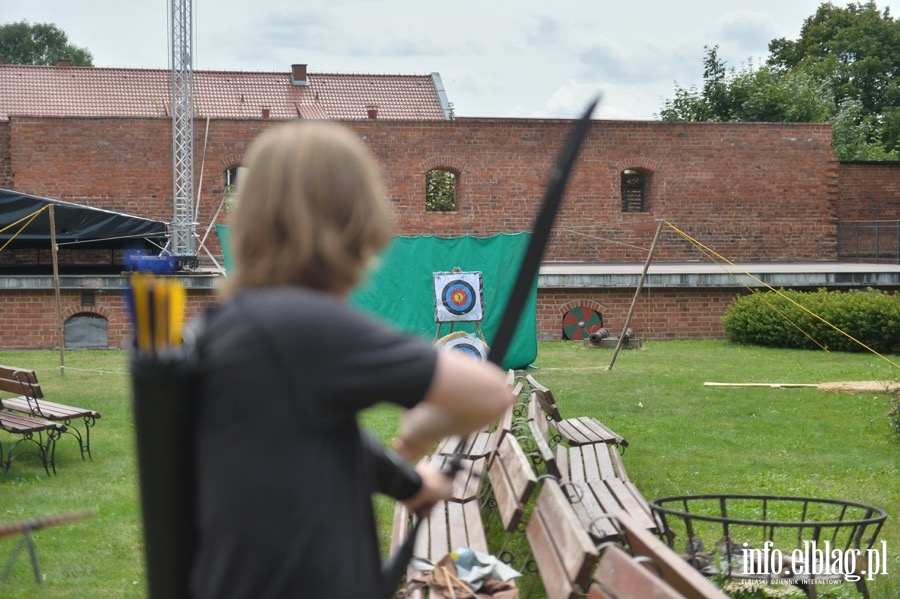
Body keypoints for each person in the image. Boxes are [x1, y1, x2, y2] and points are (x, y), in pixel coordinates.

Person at [190, 121, 514, 599]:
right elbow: (490, 394)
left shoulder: (233, 324)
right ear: (357, 218)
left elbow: (313, 435)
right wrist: (425, 428)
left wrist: (407, 481)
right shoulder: (302, 322)